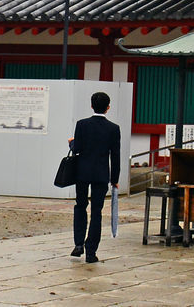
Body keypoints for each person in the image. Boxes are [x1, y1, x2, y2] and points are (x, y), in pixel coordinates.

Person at [69, 90, 121, 262]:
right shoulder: (113, 129)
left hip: (82, 172)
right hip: (101, 174)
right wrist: (115, 179)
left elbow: (77, 149)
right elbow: (115, 155)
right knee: (96, 212)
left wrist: (72, 142)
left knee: (80, 206)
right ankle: (91, 252)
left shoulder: (82, 125)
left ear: (91, 105)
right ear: (108, 108)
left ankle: (78, 244)